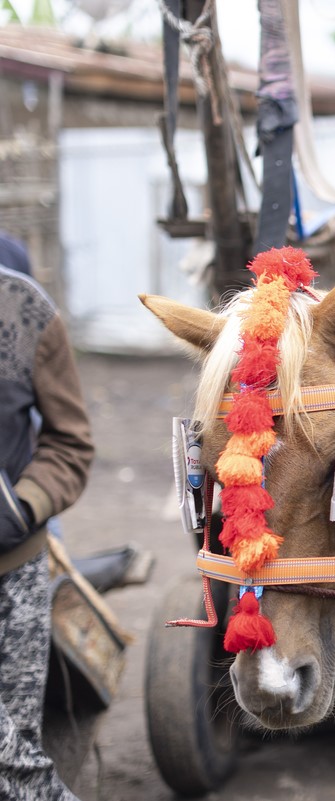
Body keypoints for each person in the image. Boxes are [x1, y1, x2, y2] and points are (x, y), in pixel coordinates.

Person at [1, 233, 94, 801]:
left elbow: (69, 442)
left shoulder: (24, 312)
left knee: (15, 754)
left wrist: (22, 507)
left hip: (14, 571)